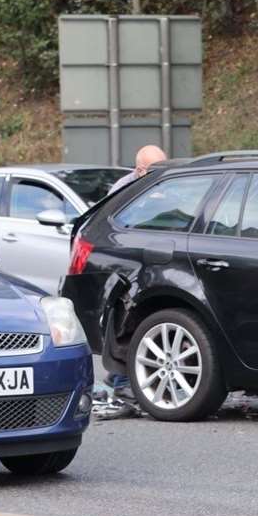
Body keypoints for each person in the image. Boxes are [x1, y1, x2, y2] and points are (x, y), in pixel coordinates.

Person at [96, 145, 168, 419]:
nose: (160, 174)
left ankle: (119, 383)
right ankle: (123, 385)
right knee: (125, 325)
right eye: (153, 170)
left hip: (156, 263)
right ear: (139, 170)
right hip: (127, 268)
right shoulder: (124, 192)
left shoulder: (168, 186)